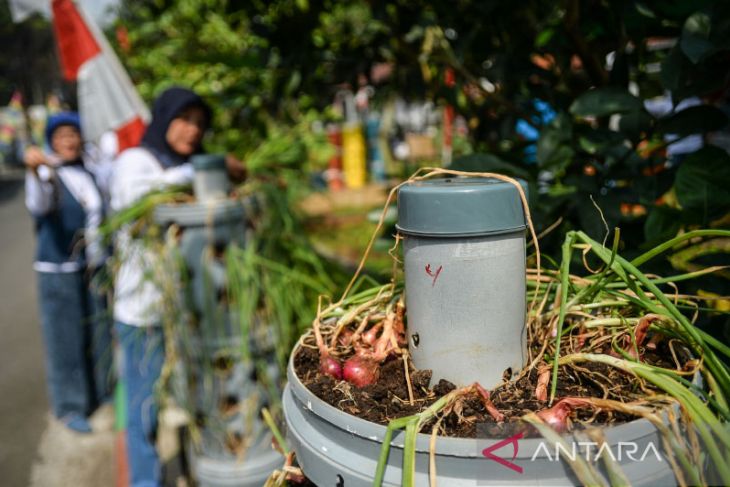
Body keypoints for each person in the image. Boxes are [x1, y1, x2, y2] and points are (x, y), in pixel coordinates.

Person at [111, 87, 243, 487]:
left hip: (190, 311)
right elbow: (148, 198)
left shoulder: (191, 169)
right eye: (184, 118)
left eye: (200, 124)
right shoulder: (136, 161)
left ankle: (196, 466)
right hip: (145, 312)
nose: (192, 130)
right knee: (144, 410)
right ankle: (145, 481)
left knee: (197, 399)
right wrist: (212, 167)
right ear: (164, 117)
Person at [24, 111, 113, 433]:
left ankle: (103, 391)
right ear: (52, 141)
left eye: (73, 134)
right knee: (65, 338)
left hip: (92, 265)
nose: (69, 141)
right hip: (58, 268)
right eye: (61, 136)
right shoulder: (47, 174)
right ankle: (70, 406)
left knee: (98, 331)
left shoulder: (89, 170)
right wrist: (36, 172)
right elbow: (39, 205)